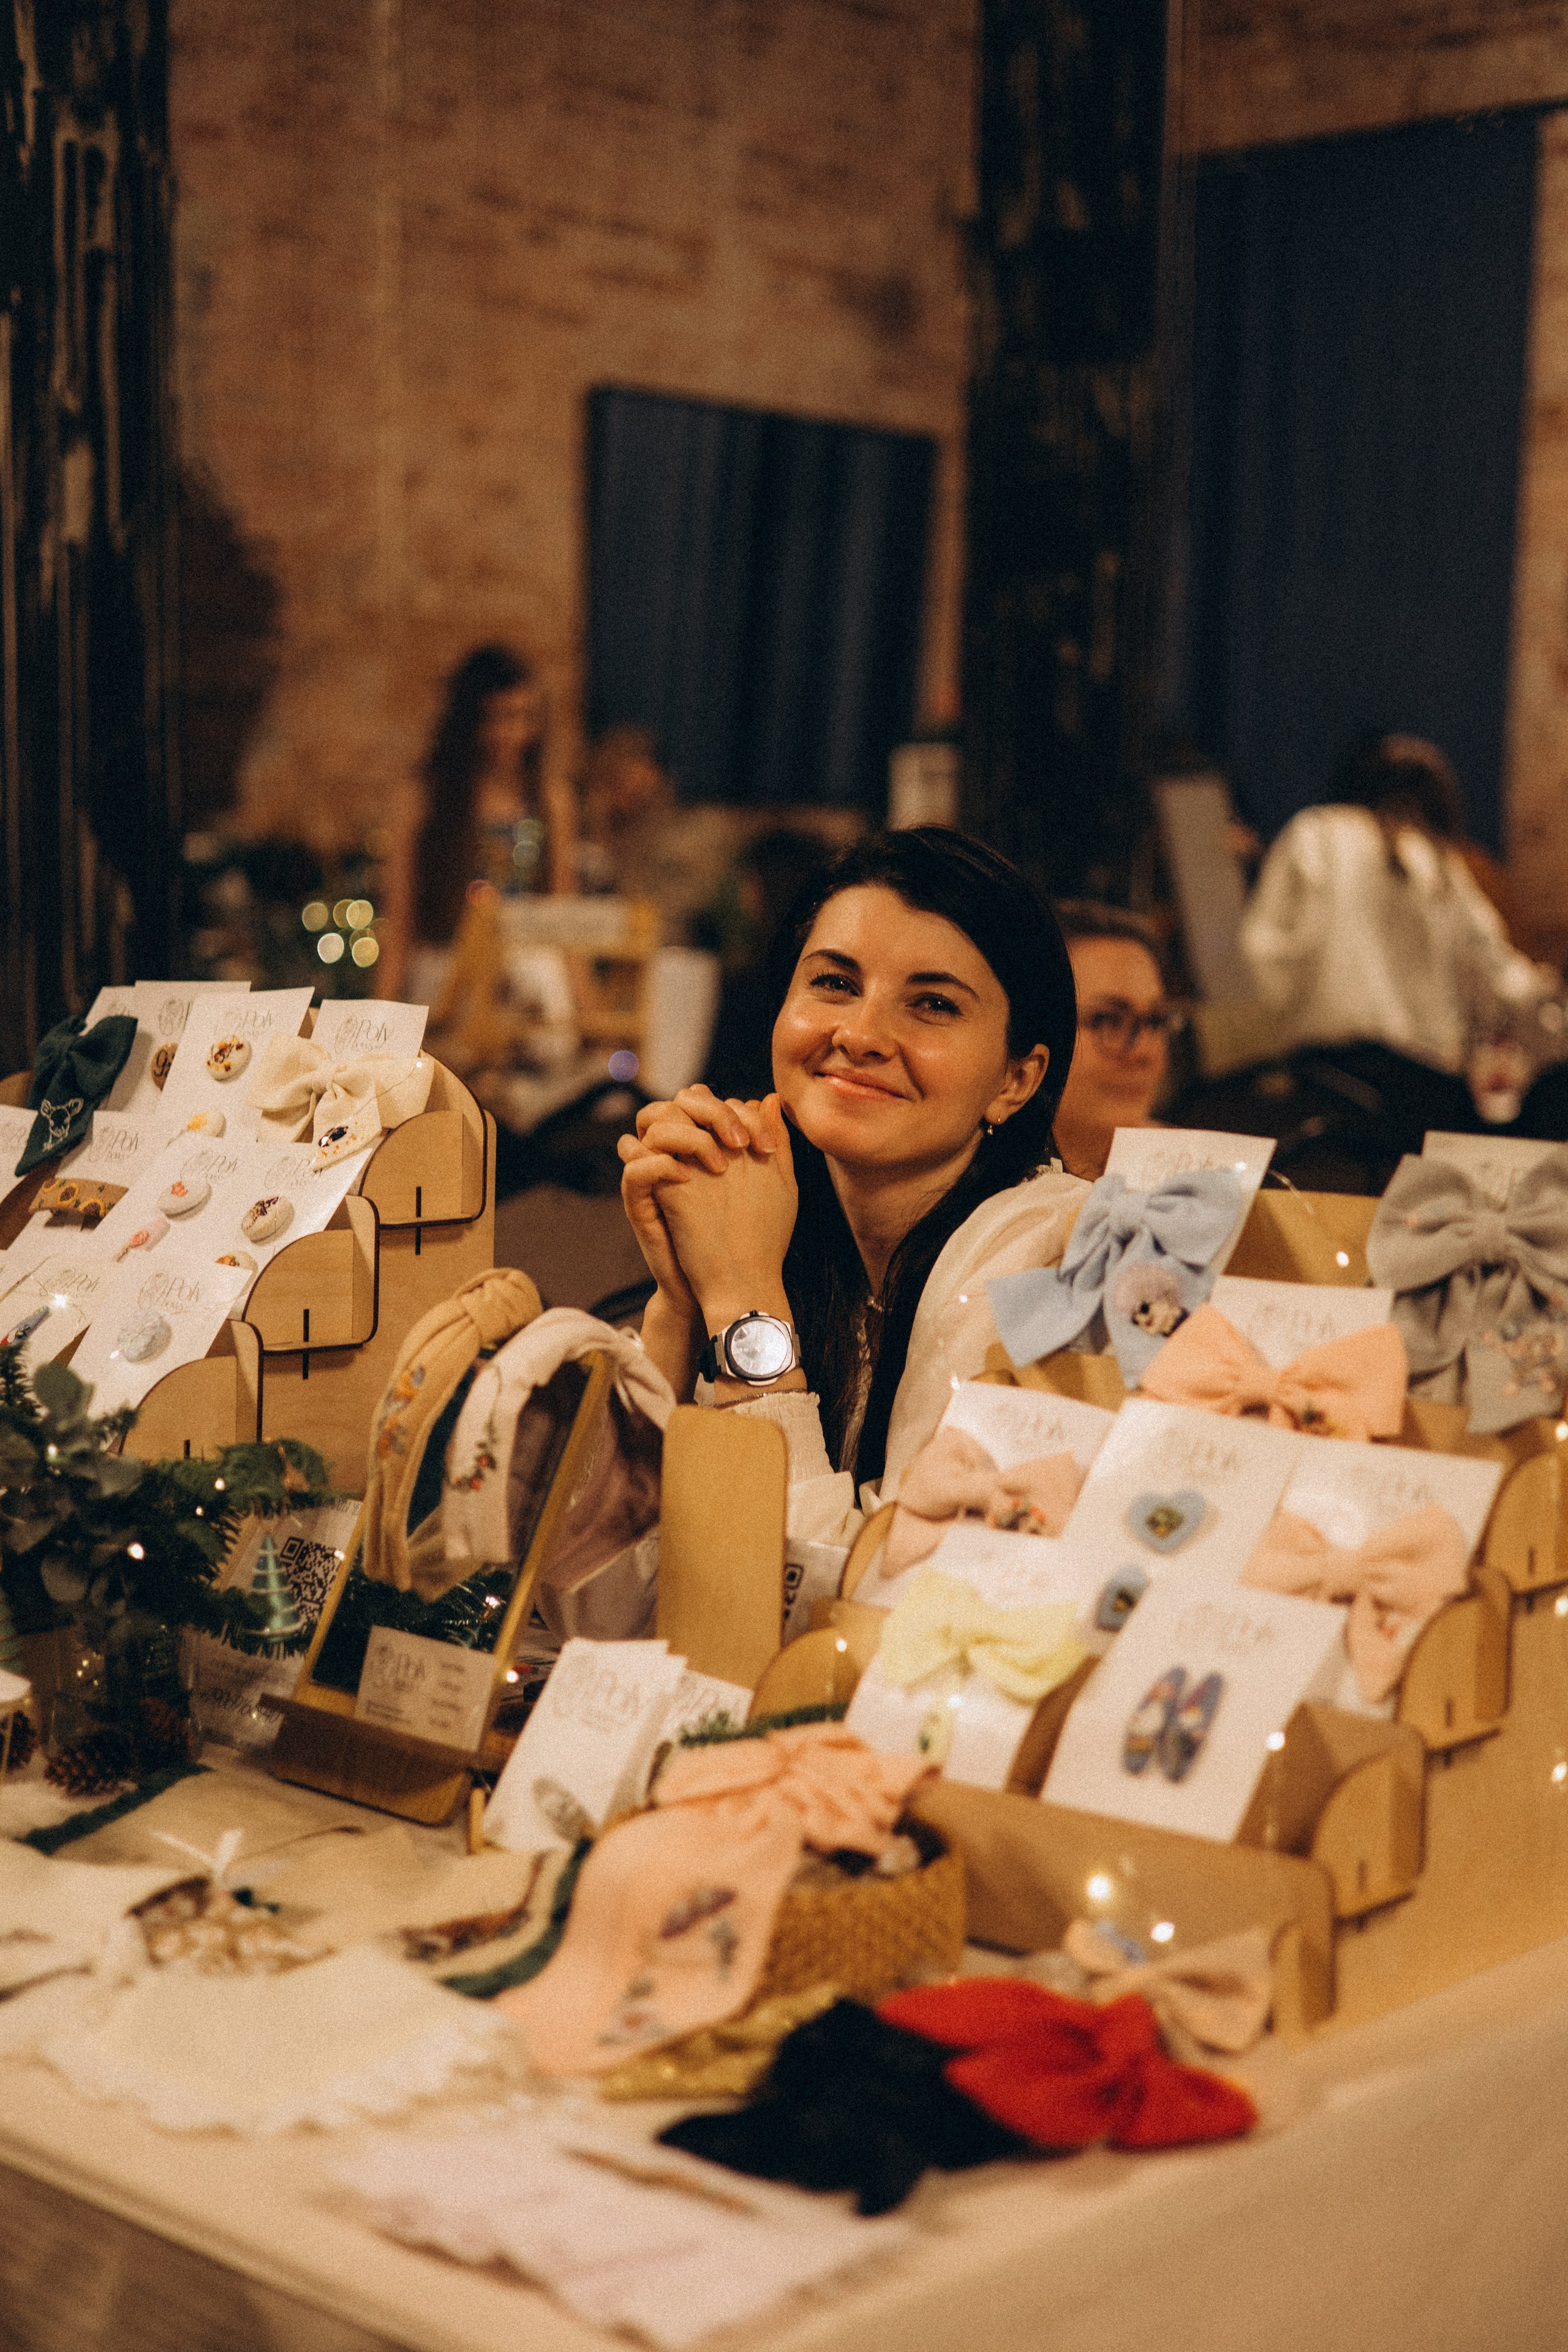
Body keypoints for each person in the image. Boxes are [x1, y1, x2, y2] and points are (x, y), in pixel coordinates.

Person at [618, 826, 1084, 1544]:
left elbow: (876, 1592)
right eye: (835, 984)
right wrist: (679, 1306)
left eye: (932, 1004)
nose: (861, 1035)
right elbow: (605, 1591)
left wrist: (745, 1305)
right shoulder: (788, 1228)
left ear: (1015, 1080)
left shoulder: (1048, 1264)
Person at [1238, 733, 1547, 1152]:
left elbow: (1262, 951)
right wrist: (1546, 996)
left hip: (1328, 1076)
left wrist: (1278, 1026)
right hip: (1426, 1085)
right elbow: (1496, 973)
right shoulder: (1436, 859)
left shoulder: (1316, 834)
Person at [379, 645, 576, 1003]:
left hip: (532, 979)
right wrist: (381, 1013)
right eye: (500, 717)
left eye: (526, 717)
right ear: (469, 720)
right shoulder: (423, 797)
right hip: (447, 978)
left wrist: (587, 1012)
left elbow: (563, 914)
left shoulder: (551, 799)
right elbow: (400, 921)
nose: (514, 733)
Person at [1050, 902, 1181, 1178]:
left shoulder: (1197, 1177)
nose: (1144, 1052)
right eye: (1108, 1020)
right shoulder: (978, 1195)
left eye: (1156, 1021)